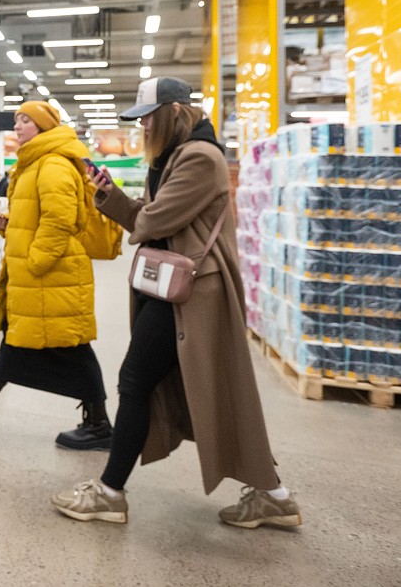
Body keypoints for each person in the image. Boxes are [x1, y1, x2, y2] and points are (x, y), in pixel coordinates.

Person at [52, 77, 302, 529]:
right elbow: (150, 220)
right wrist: (111, 197)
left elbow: (152, 220)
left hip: (191, 294)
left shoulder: (200, 159)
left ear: (171, 113)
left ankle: (110, 492)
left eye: (148, 118)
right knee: (204, 391)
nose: (143, 127)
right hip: (174, 287)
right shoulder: (177, 158)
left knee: (137, 380)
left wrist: (135, 207)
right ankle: (275, 496)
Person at [0, 101, 112, 449]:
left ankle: (98, 424)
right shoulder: (37, 161)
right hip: (46, 274)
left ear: (44, 126)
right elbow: (37, 219)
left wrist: (36, 261)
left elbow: (59, 220)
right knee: (19, 338)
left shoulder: (52, 163)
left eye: (25, 120)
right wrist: (9, 226)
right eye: (17, 120)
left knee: (71, 346)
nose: (17, 126)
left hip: (53, 273)